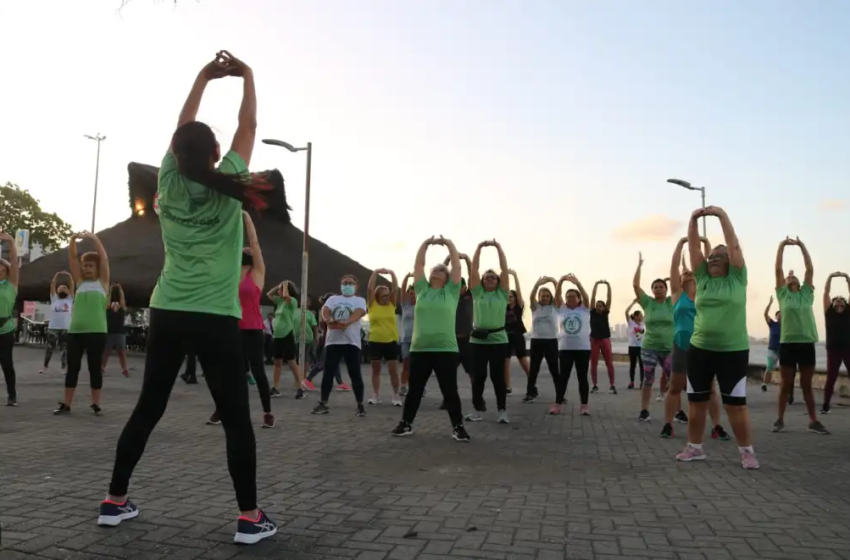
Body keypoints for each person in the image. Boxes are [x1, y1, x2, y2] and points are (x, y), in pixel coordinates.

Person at [100, 52, 277, 544]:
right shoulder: (232, 184)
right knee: (236, 419)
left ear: (175, 155)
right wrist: (247, 75)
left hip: (168, 309)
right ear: (217, 155)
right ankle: (249, 517)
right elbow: (250, 122)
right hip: (215, 316)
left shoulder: (169, 182)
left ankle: (114, 501)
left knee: (148, 408)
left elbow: (183, 124)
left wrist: (203, 76)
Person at [677, 206, 757, 468]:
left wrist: (721, 215)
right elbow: (693, 248)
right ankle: (695, 447)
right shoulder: (702, 278)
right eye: (710, 256)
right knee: (696, 401)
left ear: (730, 262)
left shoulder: (737, 278)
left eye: (718, 256)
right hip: (700, 350)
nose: (712, 259)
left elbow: (733, 245)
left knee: (736, 405)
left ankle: (746, 451)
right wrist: (693, 220)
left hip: (732, 351)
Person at [392, 236, 469, 441]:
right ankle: (406, 423)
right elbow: (419, 264)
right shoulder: (422, 289)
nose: (436, 270)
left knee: (450, 391)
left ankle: (458, 427)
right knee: (414, 390)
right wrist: (425, 244)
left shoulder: (452, 292)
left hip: (446, 350)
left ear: (447, 277)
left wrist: (450, 245)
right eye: (434, 269)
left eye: (440, 270)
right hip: (420, 349)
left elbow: (457, 267)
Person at [661, 237, 730, 441]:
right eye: (685, 273)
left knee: (710, 389)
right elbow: (674, 267)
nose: (688, 273)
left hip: (703, 345)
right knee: (675, 386)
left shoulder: (703, 292)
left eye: (691, 272)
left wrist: (704, 243)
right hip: (681, 346)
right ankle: (668, 424)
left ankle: (716, 426)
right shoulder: (676, 295)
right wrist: (681, 243)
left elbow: (706, 262)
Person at [212, 215, 274, 428]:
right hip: (232, 328)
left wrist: (247, 219)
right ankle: (222, 409)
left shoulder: (257, 274)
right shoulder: (230, 275)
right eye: (243, 249)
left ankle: (267, 412)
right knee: (228, 373)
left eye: (248, 250)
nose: (246, 250)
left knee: (257, 371)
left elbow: (254, 244)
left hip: (254, 330)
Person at [772, 237, 828, 435]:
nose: (791, 276)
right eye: (788, 277)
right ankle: (779, 419)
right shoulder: (782, 295)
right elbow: (778, 269)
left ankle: (813, 421)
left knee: (806, 386)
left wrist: (802, 246)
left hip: (806, 344)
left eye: (793, 276)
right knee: (786, 385)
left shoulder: (806, 293)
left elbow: (809, 269)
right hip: (788, 344)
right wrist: (782, 247)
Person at [53, 231, 109, 416]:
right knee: (73, 368)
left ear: (97, 268)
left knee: (95, 369)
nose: (86, 268)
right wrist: (72, 241)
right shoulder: (79, 282)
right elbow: (72, 258)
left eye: (90, 266)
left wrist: (94, 239)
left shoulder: (102, 283)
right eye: (85, 265)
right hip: (76, 332)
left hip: (97, 332)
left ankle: (96, 404)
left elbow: (105, 260)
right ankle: (67, 404)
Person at [465, 240, 511, 424]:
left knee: (497, 377)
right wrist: (478, 250)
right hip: (478, 341)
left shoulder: (502, 294)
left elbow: (505, 269)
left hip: (499, 340)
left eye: (493, 277)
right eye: (487, 277)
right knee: (479, 377)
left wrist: (499, 248)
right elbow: (473, 270)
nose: (490, 279)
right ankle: (477, 409)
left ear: (498, 281)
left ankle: (502, 411)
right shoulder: (477, 293)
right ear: (482, 281)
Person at [312, 275, 367, 415]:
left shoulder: (359, 300)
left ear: (356, 286)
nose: (347, 285)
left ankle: (360, 405)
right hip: (333, 342)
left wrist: (347, 322)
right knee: (328, 373)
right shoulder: (333, 299)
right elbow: (325, 310)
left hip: (351, 342)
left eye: (350, 283)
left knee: (355, 373)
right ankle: (323, 403)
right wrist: (329, 320)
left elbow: (359, 312)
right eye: (344, 283)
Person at [633, 252, 673, 422]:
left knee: (674, 381)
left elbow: (684, 286)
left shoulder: (672, 302)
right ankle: (644, 410)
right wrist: (639, 266)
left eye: (661, 286)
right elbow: (635, 285)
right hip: (649, 347)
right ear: (652, 290)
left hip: (670, 348)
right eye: (655, 287)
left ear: (666, 289)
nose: (658, 289)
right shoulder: (647, 302)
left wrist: (672, 278)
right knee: (648, 379)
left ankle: (677, 412)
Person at [555, 274, 592, 416]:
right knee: (563, 377)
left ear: (578, 299)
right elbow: (557, 294)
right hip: (565, 349)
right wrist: (561, 280)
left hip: (582, 349)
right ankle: (557, 404)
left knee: (582, 378)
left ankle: (584, 405)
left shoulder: (584, 309)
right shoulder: (562, 309)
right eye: (568, 296)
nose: (570, 298)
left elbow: (586, 297)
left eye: (573, 296)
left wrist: (578, 283)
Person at [366, 269, 402, 406]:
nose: (387, 297)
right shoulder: (372, 305)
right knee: (376, 370)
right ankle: (375, 395)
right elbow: (369, 288)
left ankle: (396, 395)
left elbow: (395, 289)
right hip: (375, 341)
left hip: (391, 341)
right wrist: (375, 273)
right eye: (384, 296)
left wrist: (392, 273)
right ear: (377, 297)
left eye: (388, 295)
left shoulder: (392, 304)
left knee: (393, 370)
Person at [525, 277, 560, 408]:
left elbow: (559, 293)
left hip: (551, 341)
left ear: (551, 297)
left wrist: (554, 281)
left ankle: (560, 394)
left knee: (554, 369)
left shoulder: (554, 307)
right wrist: (537, 284)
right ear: (539, 297)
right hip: (536, 342)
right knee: (533, 369)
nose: (544, 298)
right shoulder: (535, 307)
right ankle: (530, 393)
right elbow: (531, 296)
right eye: (542, 296)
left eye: (547, 296)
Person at [268, 281, 305, 400]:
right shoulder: (280, 302)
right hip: (277, 335)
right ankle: (275, 387)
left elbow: (286, 296)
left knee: (292, 362)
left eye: (281, 289)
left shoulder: (292, 301)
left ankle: (300, 388)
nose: (279, 291)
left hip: (287, 334)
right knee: (277, 362)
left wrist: (284, 286)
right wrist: (278, 285)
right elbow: (268, 294)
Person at [821, 272, 850, 414]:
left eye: (841, 300)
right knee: (831, 378)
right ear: (832, 304)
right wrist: (830, 277)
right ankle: (826, 404)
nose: (838, 301)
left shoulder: (848, 312)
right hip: (833, 350)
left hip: (848, 349)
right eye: (836, 300)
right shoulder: (829, 313)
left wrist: (847, 278)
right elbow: (826, 293)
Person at [42, 271, 74, 375]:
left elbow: (73, 286)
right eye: (60, 287)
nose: (62, 288)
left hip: (65, 328)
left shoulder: (69, 300)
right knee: (50, 348)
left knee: (64, 349)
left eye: (65, 287)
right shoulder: (54, 299)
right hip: (53, 328)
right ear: (57, 290)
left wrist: (69, 277)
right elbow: (52, 285)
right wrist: (56, 276)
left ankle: (64, 368)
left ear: (68, 291)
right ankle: (45, 367)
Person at [0, 232, 19, 406]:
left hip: (5, 330)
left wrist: (11, 244)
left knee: (7, 364)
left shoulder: (11, 286)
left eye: (2, 269)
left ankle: (12, 395)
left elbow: (14, 264)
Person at [504, 271, 530, 394]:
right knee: (505, 362)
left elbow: (519, 292)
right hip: (505, 336)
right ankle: (507, 387)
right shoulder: (503, 307)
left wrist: (514, 276)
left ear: (515, 298)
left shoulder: (518, 307)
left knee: (524, 362)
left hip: (518, 336)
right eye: (507, 297)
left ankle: (532, 384)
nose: (509, 299)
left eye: (511, 297)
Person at [589, 280, 615, 394]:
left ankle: (612, 385)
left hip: (605, 340)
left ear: (604, 308)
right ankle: (594, 385)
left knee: (609, 363)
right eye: (597, 306)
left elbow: (609, 299)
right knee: (593, 363)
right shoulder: (593, 313)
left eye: (601, 306)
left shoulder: (605, 313)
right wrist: (595, 285)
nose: (599, 307)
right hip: (594, 340)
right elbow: (593, 297)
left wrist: (608, 285)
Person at [102, 284, 129, 378]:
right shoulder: (107, 309)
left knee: (121, 352)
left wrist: (120, 289)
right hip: (109, 333)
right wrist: (110, 290)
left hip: (119, 333)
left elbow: (122, 300)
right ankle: (102, 368)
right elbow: (108, 301)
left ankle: (124, 369)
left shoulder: (122, 309)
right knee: (106, 352)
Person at [398, 274, 416, 397]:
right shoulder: (405, 306)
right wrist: (406, 277)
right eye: (410, 292)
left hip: (419, 340)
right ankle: (403, 386)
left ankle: (418, 386)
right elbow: (402, 291)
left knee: (419, 365)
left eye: (414, 292)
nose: (412, 294)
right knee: (406, 364)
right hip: (406, 339)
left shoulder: (423, 305)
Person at [761, 297, 781, 393]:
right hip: (772, 350)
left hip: (783, 350)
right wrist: (769, 303)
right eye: (778, 315)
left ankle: (786, 387)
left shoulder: (787, 325)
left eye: (782, 315)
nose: (780, 316)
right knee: (769, 367)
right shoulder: (772, 324)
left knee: (785, 369)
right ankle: (764, 384)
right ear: (776, 317)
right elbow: (765, 314)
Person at [624, 302, 644, 389]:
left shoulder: (643, 323)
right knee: (632, 365)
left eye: (642, 315)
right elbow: (626, 312)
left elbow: (647, 311)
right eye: (640, 315)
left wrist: (640, 302)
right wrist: (633, 302)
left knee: (642, 365)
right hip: (632, 347)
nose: (641, 317)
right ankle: (631, 382)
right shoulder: (631, 323)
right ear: (635, 316)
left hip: (642, 347)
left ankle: (642, 382)